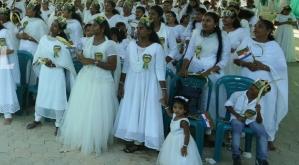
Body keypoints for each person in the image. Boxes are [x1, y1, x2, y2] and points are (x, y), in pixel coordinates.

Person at [58, 16, 118, 156]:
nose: (92, 28)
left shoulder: (109, 45)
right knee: (83, 108)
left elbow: (113, 65)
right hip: (86, 77)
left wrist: (93, 62)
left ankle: (94, 139)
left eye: (95, 26)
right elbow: (86, 57)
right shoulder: (89, 41)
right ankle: (81, 136)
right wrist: (82, 58)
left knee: (96, 111)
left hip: (101, 80)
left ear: (102, 29)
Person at [233, 20, 288, 151]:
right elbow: (235, 59)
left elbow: (282, 68)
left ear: (268, 31)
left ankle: (269, 137)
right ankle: (242, 132)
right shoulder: (247, 42)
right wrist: (246, 64)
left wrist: (264, 66)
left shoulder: (274, 46)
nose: (255, 28)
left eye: (260, 27)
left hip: (266, 85)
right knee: (244, 104)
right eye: (255, 26)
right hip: (247, 80)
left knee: (267, 107)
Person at [114, 16, 167, 152]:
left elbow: (160, 70)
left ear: (149, 31)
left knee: (146, 109)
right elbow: (126, 66)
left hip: (149, 83)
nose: (138, 31)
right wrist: (121, 84)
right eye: (137, 28)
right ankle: (133, 136)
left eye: (141, 28)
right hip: (132, 81)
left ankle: (140, 141)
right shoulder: (131, 44)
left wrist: (164, 90)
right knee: (133, 107)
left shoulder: (157, 48)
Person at [180, 12, 230, 144]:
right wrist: (184, 68)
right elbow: (189, 52)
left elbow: (224, 61)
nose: (204, 23)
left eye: (208, 20)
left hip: (211, 74)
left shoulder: (223, 37)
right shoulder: (196, 33)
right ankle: (188, 128)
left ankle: (207, 131)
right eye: (203, 20)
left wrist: (209, 71)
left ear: (215, 23)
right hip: (193, 71)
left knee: (207, 102)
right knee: (192, 99)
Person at [27, 17, 77, 136]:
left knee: (57, 97)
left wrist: (55, 64)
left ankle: (58, 124)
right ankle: (37, 119)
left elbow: (66, 60)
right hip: (45, 71)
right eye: (52, 25)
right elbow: (38, 56)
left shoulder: (62, 42)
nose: (51, 27)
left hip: (56, 73)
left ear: (60, 30)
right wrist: (44, 61)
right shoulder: (44, 39)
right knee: (43, 94)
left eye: (55, 26)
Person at [224, 79, 271, 165]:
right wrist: (237, 115)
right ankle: (236, 155)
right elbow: (228, 105)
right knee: (237, 129)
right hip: (237, 117)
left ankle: (262, 160)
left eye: (257, 88)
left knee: (263, 133)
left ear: (260, 94)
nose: (252, 87)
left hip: (252, 120)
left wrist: (258, 112)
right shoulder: (238, 94)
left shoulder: (260, 102)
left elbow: (259, 121)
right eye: (253, 85)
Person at [155, 96, 203, 165]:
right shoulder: (174, 116)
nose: (177, 110)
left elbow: (187, 135)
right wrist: (165, 105)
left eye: (180, 108)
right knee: (170, 154)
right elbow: (170, 113)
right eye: (175, 107)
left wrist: (184, 146)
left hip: (181, 141)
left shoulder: (184, 121)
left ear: (185, 110)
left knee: (181, 157)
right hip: (172, 139)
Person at [221, 10, 250, 76]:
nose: (223, 19)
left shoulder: (242, 31)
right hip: (219, 60)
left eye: (226, 17)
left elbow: (247, 50)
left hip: (234, 61)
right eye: (222, 17)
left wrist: (234, 51)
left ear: (233, 19)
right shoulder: (219, 30)